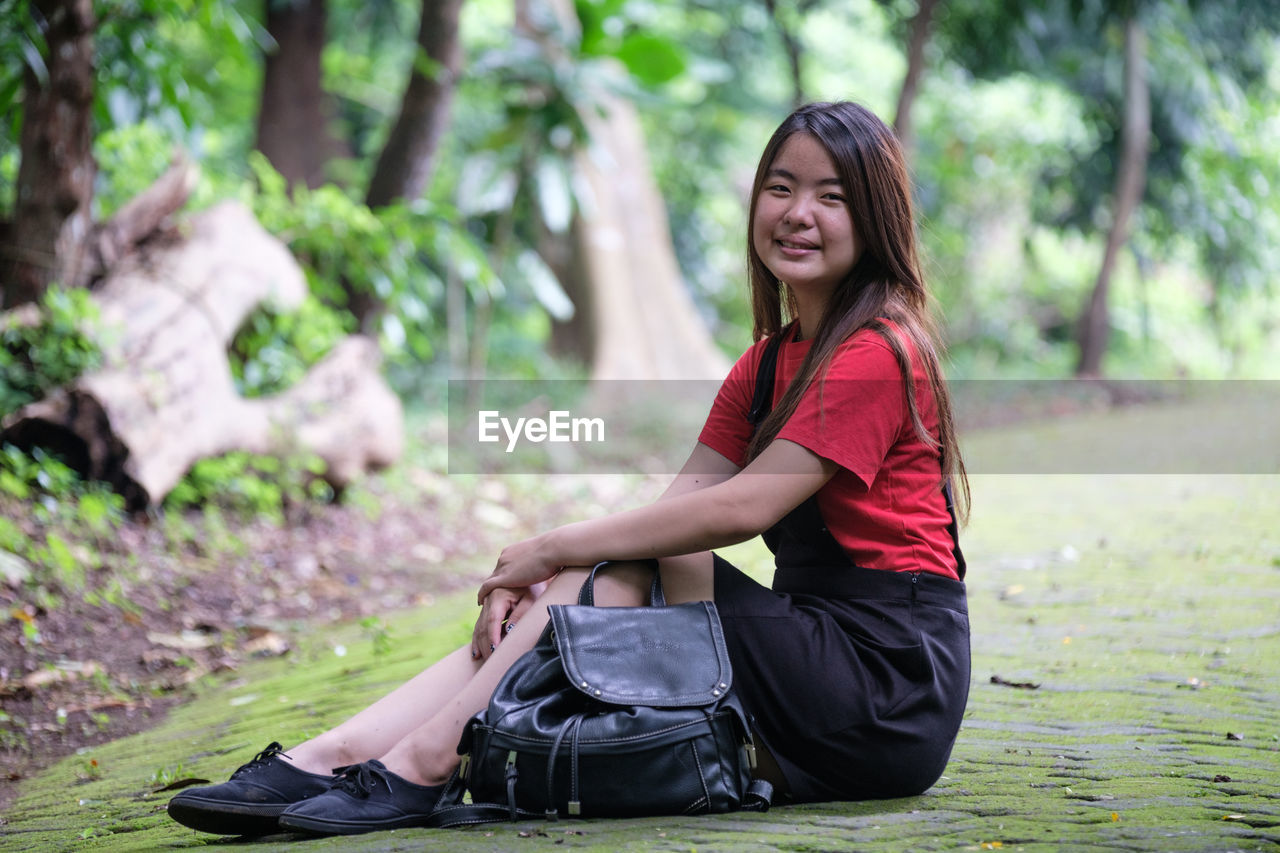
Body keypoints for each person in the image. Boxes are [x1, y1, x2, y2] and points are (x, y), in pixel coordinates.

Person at [167, 100, 971, 838]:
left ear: (873, 220)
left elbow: (737, 511)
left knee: (608, 560)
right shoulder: (763, 367)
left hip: (885, 685)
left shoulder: (878, 353)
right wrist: (560, 590)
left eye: (830, 197)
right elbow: (680, 512)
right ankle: (337, 753)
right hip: (811, 652)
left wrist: (555, 551)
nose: (798, 214)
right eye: (781, 187)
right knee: (613, 562)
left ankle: (420, 763)